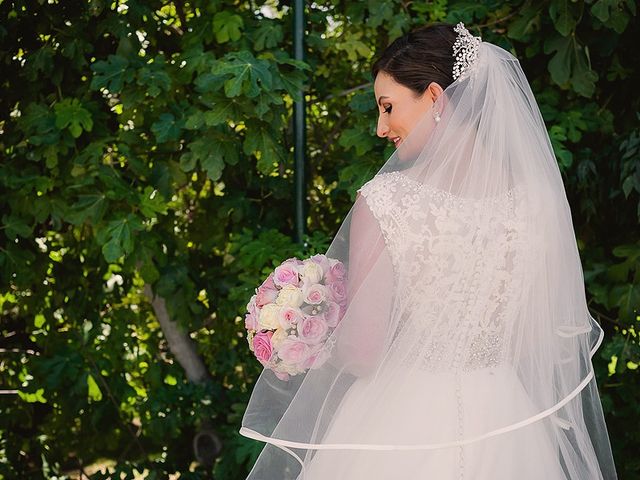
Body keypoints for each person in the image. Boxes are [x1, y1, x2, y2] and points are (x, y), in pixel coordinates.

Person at [239, 22, 619, 479]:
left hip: (403, 420)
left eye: (387, 107)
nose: (381, 128)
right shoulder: (535, 202)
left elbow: (363, 352)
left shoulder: (386, 204)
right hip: (506, 418)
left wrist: (305, 334)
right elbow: (536, 333)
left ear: (435, 96)